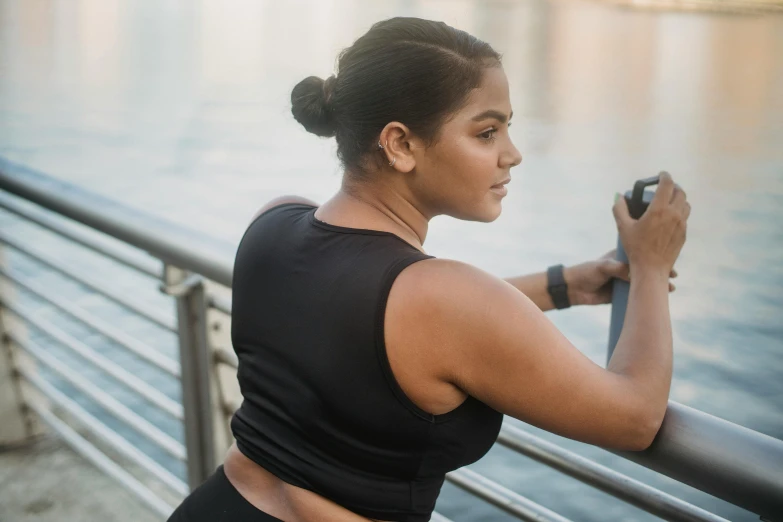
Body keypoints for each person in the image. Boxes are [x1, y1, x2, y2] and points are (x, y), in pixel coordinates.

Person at [167, 16, 690, 522]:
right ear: (401, 144)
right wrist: (648, 267)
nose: (513, 154)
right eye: (487, 133)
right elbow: (636, 418)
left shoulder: (272, 223)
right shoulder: (442, 298)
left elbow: (379, 322)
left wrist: (565, 285)